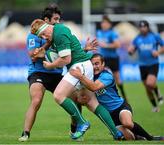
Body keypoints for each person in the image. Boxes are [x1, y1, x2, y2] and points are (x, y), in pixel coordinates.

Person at [31, 19, 125, 140]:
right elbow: (62, 51)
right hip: (83, 65)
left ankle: (82, 123)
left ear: (47, 27)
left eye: (43, 34)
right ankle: (117, 133)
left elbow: (66, 59)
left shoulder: (59, 33)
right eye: (41, 36)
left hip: (79, 66)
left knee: (58, 95)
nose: (44, 37)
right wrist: (42, 53)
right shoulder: (57, 32)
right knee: (91, 102)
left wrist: (51, 65)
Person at [70, 53, 164, 141]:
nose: (95, 67)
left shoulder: (106, 76)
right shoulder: (89, 78)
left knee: (127, 123)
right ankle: (138, 136)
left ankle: (150, 138)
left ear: (103, 64)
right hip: (109, 115)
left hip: (120, 107)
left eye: (97, 64)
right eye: (92, 64)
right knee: (127, 138)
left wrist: (80, 76)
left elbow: (94, 87)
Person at [18, 6, 64, 142]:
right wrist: (48, 43)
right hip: (38, 72)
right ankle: (25, 133)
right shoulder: (33, 35)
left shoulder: (60, 33)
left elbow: (68, 51)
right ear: (46, 20)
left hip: (56, 73)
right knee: (36, 100)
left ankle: (75, 129)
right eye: (55, 19)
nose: (58, 22)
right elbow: (33, 56)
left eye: (59, 19)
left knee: (76, 98)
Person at [128, 20, 164, 112]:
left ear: (148, 27)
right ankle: (155, 106)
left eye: (144, 27)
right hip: (142, 65)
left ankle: (158, 93)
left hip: (153, 63)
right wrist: (130, 51)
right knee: (147, 88)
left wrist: (158, 52)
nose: (143, 28)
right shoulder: (137, 39)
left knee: (150, 83)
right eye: (141, 27)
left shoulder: (155, 36)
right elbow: (132, 50)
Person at [96, 15, 128, 102]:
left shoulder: (112, 33)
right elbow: (98, 43)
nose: (104, 24)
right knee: (101, 76)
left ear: (109, 24)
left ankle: (123, 95)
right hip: (103, 59)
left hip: (113, 58)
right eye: (102, 23)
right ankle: (103, 96)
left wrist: (106, 45)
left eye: (106, 23)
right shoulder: (99, 32)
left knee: (117, 78)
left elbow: (118, 45)